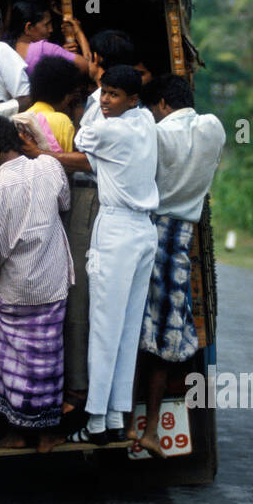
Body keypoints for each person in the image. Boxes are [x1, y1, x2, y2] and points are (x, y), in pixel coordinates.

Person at [132, 75, 226, 457]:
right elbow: (200, 123)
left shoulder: (156, 135)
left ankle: (140, 425)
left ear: (163, 105)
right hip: (184, 237)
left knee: (142, 335)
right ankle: (145, 428)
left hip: (152, 230)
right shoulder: (214, 128)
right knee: (164, 336)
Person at [69, 65, 159, 446]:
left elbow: (81, 138)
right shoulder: (146, 121)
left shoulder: (108, 128)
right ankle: (116, 417)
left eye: (113, 95)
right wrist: (106, 89)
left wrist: (92, 96)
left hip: (118, 229)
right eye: (104, 92)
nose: (105, 100)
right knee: (125, 330)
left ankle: (94, 423)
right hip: (144, 231)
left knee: (105, 329)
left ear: (132, 99)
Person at [0, 118, 75, 453]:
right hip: (51, 284)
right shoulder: (49, 166)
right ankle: (46, 435)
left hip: (14, 288)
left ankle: (17, 433)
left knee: (12, 362)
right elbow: (65, 205)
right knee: (48, 360)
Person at [62, 28, 138, 413]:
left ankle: (79, 387)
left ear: (99, 65)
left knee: (80, 295)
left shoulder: (106, 108)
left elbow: (86, 157)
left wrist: (40, 154)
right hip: (109, 209)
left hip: (91, 198)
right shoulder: (122, 108)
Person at [7, 0, 91, 76]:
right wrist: (79, 33)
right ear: (28, 28)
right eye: (46, 25)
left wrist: (62, 54)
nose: (51, 29)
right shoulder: (44, 49)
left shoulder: (4, 50)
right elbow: (89, 67)